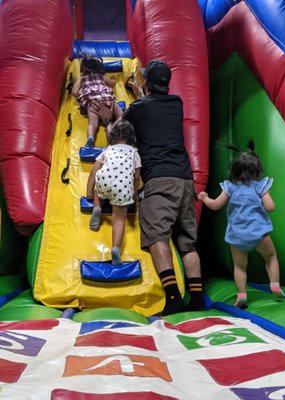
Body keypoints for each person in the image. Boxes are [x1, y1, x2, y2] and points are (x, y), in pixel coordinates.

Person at [102, 59, 203, 316]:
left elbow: (119, 129)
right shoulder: (177, 103)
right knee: (187, 243)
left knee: (157, 236)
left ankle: (172, 300)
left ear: (146, 82)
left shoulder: (137, 108)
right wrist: (141, 93)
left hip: (159, 179)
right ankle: (198, 299)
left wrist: (107, 121)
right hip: (185, 179)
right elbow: (153, 108)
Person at [198, 141, 285, 308]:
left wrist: (204, 198)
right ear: (257, 170)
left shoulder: (230, 188)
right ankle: (275, 285)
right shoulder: (260, 187)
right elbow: (270, 207)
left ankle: (241, 295)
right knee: (270, 257)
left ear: (235, 170)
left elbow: (215, 205)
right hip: (259, 233)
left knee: (239, 265)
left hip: (237, 235)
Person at [86, 120, 141, 265]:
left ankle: (97, 207)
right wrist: (134, 196)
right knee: (119, 220)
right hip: (122, 188)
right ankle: (116, 248)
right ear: (132, 139)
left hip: (105, 181)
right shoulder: (135, 153)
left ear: (112, 137)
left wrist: (89, 193)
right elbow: (136, 178)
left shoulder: (108, 150)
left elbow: (93, 172)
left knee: (100, 189)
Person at [72, 55, 123, 147]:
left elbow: (74, 92)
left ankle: (90, 139)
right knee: (121, 116)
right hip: (107, 99)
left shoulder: (82, 79)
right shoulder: (101, 76)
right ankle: (115, 131)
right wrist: (112, 80)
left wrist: (82, 98)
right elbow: (112, 84)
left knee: (92, 124)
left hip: (93, 103)